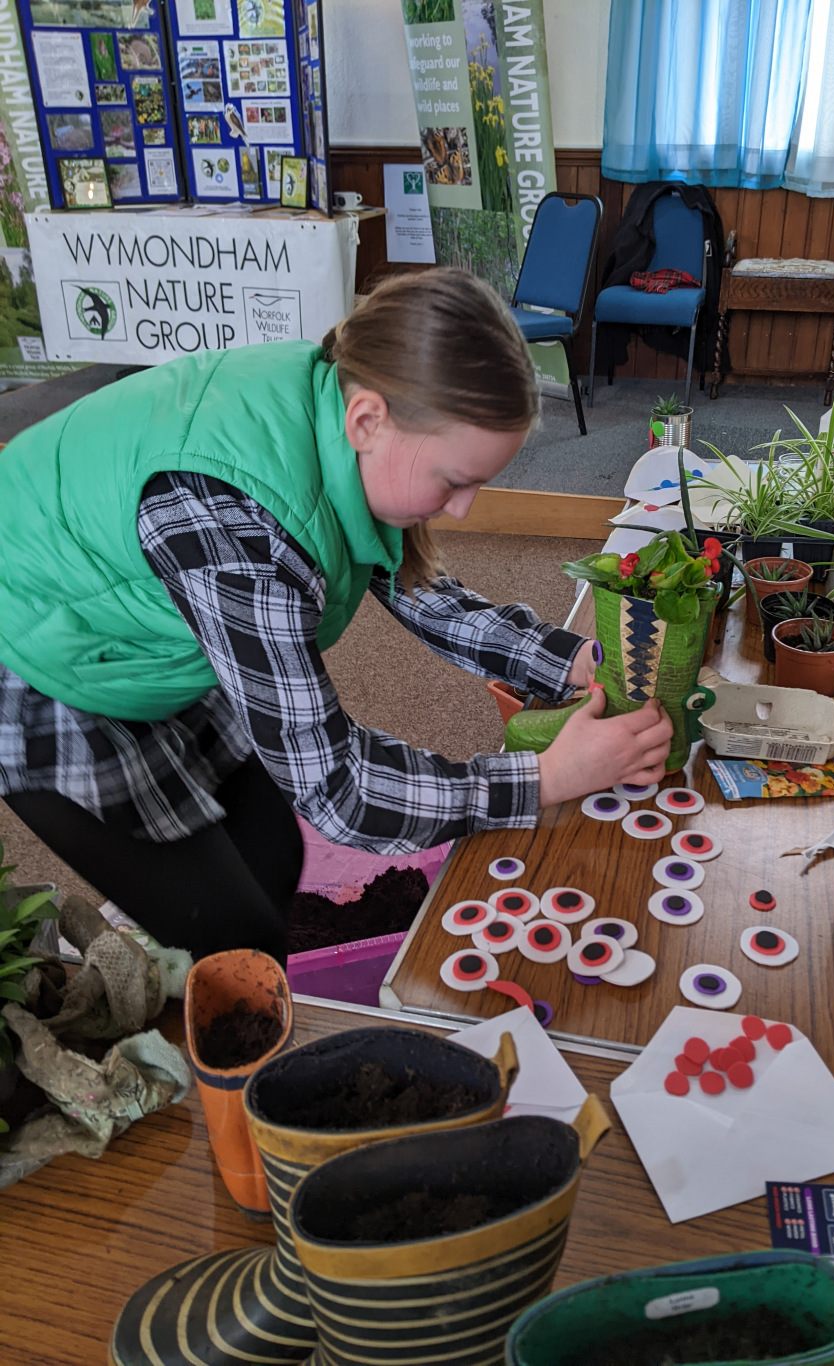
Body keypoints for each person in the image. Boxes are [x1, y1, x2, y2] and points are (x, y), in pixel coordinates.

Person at [0, 269, 672, 963]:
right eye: (455, 481)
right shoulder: (232, 522)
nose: (466, 510)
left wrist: (572, 658)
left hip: (143, 624)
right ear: (368, 421)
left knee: (273, 851)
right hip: (41, 657)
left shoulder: (342, 405)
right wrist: (543, 781)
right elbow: (336, 787)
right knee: (232, 933)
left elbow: (420, 588)